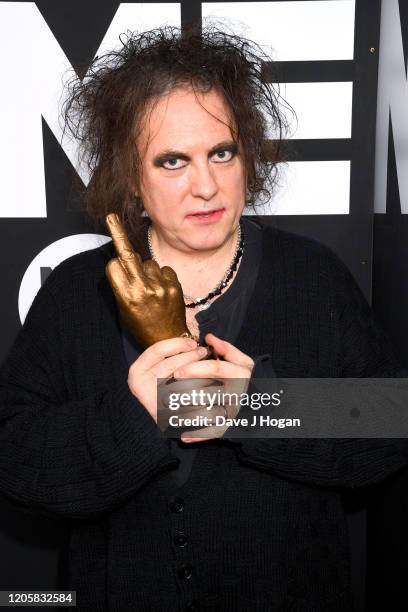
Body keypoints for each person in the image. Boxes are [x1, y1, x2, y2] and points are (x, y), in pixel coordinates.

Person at [0, 25, 407, 611]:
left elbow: (388, 425)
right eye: (172, 161)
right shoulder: (75, 292)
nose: (207, 185)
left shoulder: (312, 277)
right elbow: (16, 459)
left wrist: (259, 408)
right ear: (131, 180)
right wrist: (133, 414)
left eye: (222, 152)